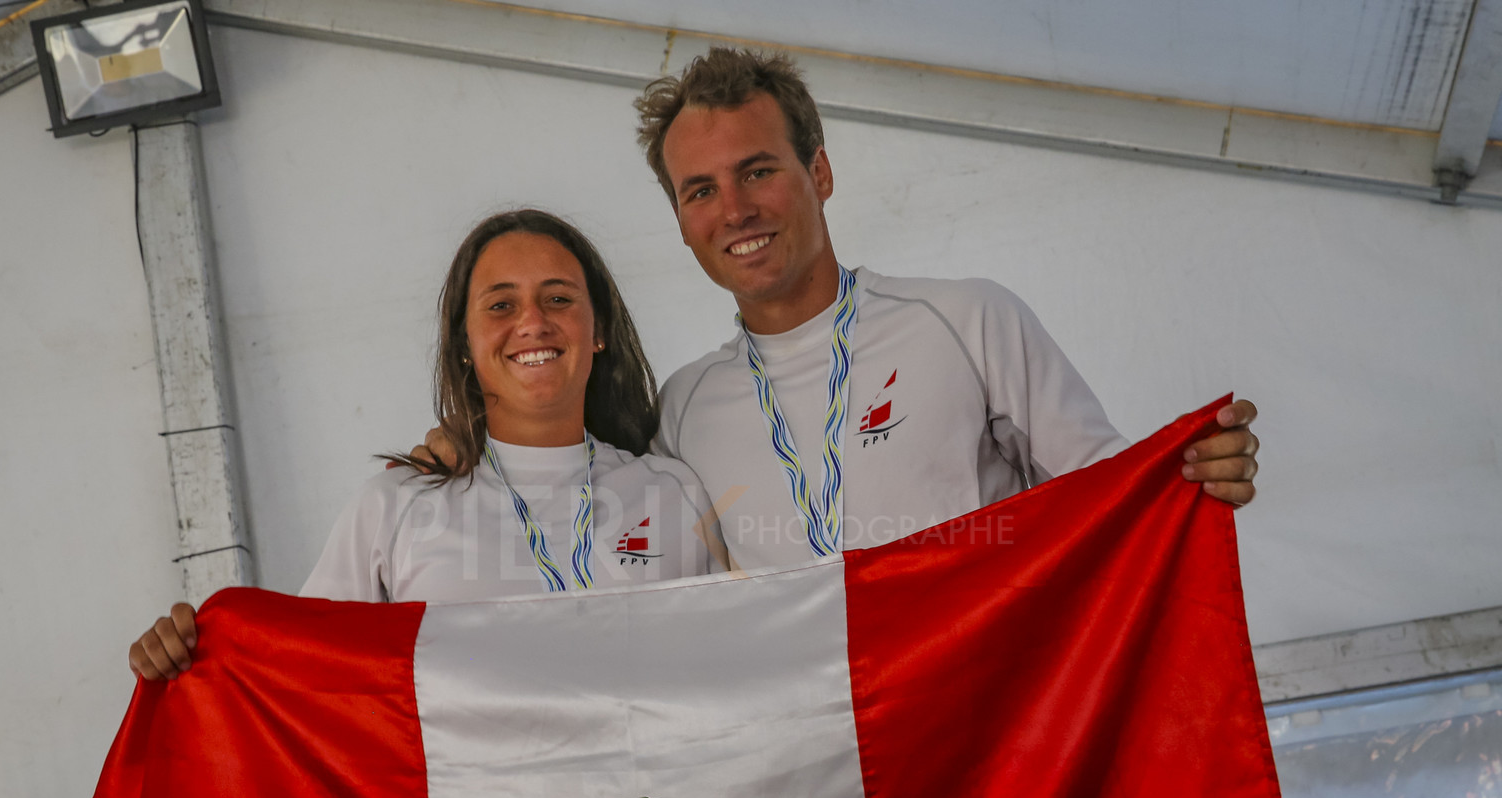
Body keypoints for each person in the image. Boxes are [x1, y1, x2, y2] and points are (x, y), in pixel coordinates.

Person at [409, 49, 1260, 570]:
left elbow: (1112, 494)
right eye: (700, 190)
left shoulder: (965, 321)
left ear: (819, 172)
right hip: (825, 795)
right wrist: (474, 448)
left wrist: (1191, 473)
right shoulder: (687, 406)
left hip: (994, 747)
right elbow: (603, 513)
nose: (734, 209)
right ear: (680, 222)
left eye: (758, 170)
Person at [130, 210, 722, 680]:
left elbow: (740, 662)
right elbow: (299, 677)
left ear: (600, 332)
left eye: (560, 298)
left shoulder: (674, 493)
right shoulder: (394, 508)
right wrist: (195, 655)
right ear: (465, 343)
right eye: (500, 305)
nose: (533, 322)